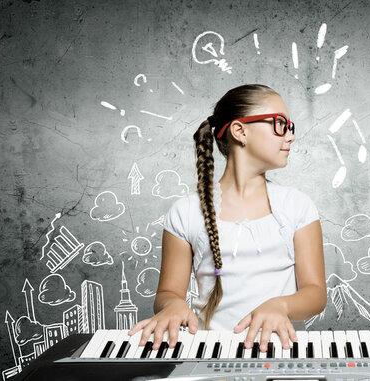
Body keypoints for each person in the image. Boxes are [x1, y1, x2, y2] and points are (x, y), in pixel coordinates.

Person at [128, 84, 326, 355]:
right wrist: (172, 305)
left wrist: (281, 305)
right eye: (280, 124)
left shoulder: (297, 206)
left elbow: (315, 293)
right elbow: (167, 293)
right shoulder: (185, 211)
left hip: (282, 355)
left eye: (290, 126)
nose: (290, 136)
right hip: (210, 354)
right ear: (240, 131)